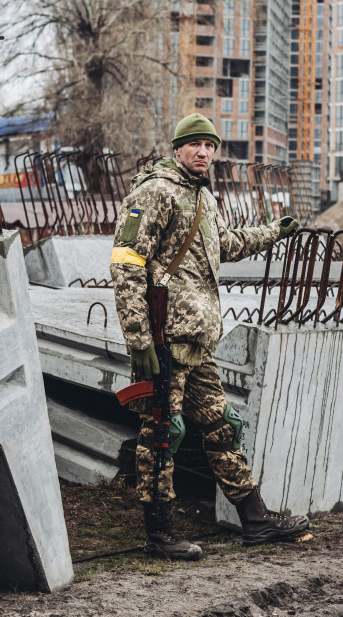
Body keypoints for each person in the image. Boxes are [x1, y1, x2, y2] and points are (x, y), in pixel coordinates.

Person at [109, 113, 309, 560]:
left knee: (223, 427)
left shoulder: (203, 197)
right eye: (195, 144)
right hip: (165, 340)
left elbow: (227, 245)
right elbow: (125, 264)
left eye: (210, 145)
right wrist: (139, 341)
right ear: (177, 148)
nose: (204, 152)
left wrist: (273, 233)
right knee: (163, 432)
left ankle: (256, 521)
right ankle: (159, 533)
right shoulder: (155, 192)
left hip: (198, 342)